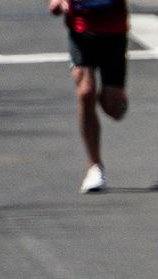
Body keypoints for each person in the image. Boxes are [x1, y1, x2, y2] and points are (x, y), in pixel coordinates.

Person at [49, 0, 129, 193]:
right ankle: (95, 167)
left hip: (113, 28)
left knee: (113, 109)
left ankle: (117, 99)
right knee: (85, 93)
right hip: (81, 27)